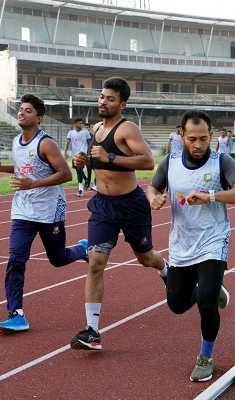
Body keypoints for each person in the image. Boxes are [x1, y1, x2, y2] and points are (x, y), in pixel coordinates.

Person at [147, 109, 235, 382]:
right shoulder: (169, 162)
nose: (198, 145)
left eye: (204, 139)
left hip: (212, 240)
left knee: (206, 302)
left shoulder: (222, 161)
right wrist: (154, 199)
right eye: (192, 138)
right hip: (181, 243)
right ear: (181, 135)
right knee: (177, 305)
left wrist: (211, 196)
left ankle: (206, 355)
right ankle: (206, 286)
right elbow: (152, 187)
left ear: (211, 136)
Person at [70, 77, 168, 350]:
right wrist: (84, 160)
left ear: (122, 103)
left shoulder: (128, 129)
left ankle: (165, 270)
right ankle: (92, 331)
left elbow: (148, 162)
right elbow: (98, 159)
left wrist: (109, 157)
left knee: (146, 258)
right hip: (102, 205)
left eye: (110, 98)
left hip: (131, 204)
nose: (103, 101)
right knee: (95, 262)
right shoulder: (96, 128)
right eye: (102, 97)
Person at [0, 94, 89, 335]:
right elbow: (23, 169)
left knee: (58, 259)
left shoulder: (46, 143)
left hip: (49, 210)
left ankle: (83, 249)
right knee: (16, 259)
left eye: (28, 111)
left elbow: (65, 174)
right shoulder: (16, 141)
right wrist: (2, 169)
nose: (22, 113)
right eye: (20, 109)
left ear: (38, 118)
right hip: (22, 210)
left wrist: (34, 184)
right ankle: (16, 314)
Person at [64, 118, 93, 197]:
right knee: (77, 170)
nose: (81, 125)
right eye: (79, 123)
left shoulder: (85, 132)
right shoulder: (71, 132)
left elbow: (89, 142)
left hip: (83, 155)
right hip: (74, 155)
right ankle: (86, 179)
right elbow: (67, 143)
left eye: (82, 123)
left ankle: (80, 190)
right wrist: (65, 154)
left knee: (79, 170)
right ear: (75, 124)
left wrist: (88, 154)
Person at [83, 123, 96, 191]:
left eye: (87, 127)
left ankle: (89, 183)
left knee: (90, 169)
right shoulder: (82, 135)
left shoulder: (92, 136)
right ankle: (86, 180)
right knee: (78, 169)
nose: (86, 129)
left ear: (89, 128)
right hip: (83, 154)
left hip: (90, 155)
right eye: (84, 127)